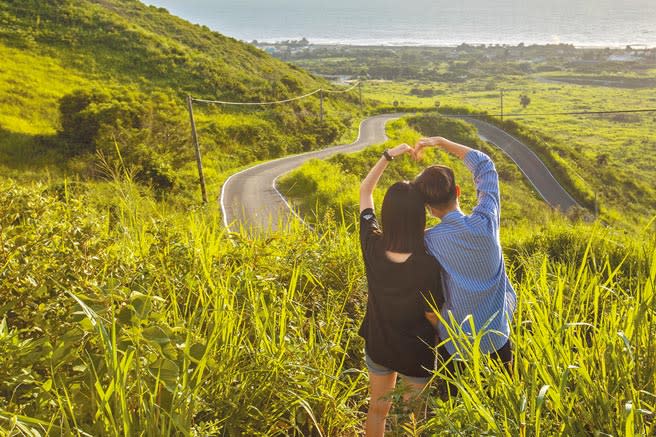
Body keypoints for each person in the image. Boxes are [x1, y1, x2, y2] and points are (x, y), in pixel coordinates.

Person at [412, 136, 516, 381]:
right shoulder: (487, 222)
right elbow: (485, 165)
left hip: (457, 346)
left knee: (455, 410)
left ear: (427, 207)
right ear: (457, 191)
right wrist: (440, 142)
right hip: (497, 337)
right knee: (506, 408)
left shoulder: (428, 241)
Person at [358, 143, 444, 437]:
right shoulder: (427, 265)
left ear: (388, 213)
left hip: (379, 344)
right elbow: (432, 315)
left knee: (377, 411)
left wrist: (388, 156)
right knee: (411, 421)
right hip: (415, 353)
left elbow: (365, 192)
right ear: (419, 218)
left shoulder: (372, 244)